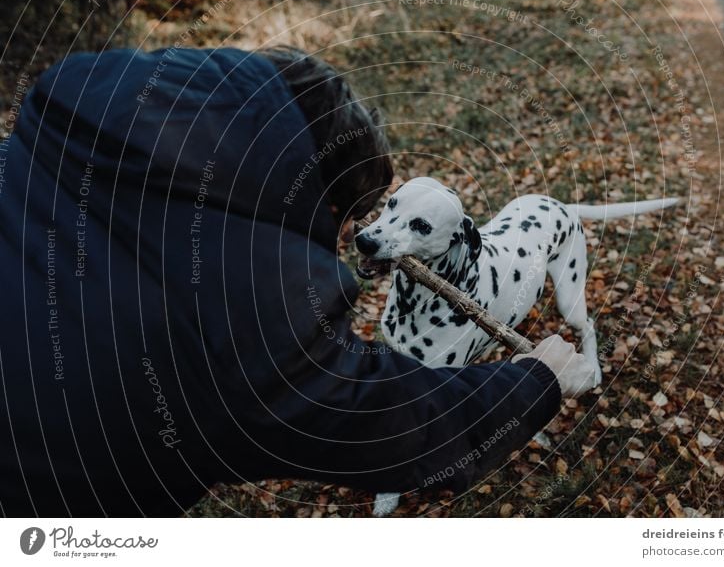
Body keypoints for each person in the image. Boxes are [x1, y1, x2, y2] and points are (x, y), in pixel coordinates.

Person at [0, 46, 595, 517]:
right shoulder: (253, 319)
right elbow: (389, 423)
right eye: (342, 222)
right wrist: (536, 381)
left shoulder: (56, 130)